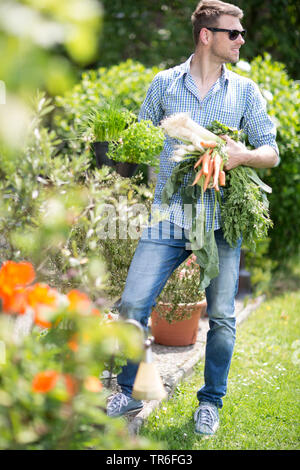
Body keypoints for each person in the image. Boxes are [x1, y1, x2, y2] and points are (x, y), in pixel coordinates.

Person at [106, 0, 279, 436]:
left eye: (240, 33)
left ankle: (210, 401)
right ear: (207, 36)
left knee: (221, 316)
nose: (241, 39)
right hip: (168, 217)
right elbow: (140, 140)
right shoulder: (164, 85)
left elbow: (271, 152)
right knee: (132, 304)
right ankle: (128, 389)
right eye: (233, 33)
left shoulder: (245, 92)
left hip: (220, 221)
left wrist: (241, 156)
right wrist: (123, 149)